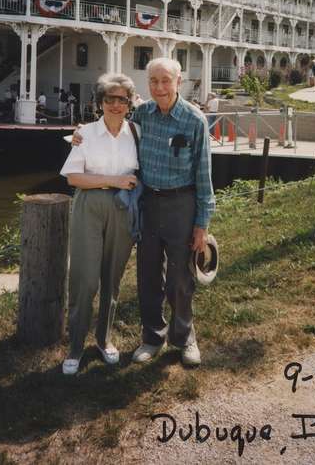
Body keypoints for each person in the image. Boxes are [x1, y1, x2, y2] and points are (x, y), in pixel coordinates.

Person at [72, 57, 215, 366]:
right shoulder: (143, 116)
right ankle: (152, 337)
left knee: (180, 277)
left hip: (182, 203)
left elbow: (204, 177)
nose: (159, 87)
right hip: (148, 203)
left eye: (166, 80)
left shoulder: (194, 120)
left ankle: (184, 337)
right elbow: (113, 123)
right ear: (147, 85)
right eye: (153, 81)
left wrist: (202, 223)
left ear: (179, 82)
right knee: (148, 276)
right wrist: (81, 133)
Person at [60, 73, 140, 375]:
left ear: (129, 103)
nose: (116, 104)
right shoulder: (86, 134)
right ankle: (76, 346)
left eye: (122, 99)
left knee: (112, 278)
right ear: (100, 102)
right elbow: (73, 177)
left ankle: (104, 340)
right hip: (89, 205)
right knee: (85, 278)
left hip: (123, 207)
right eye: (110, 99)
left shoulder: (137, 132)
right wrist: (112, 180)